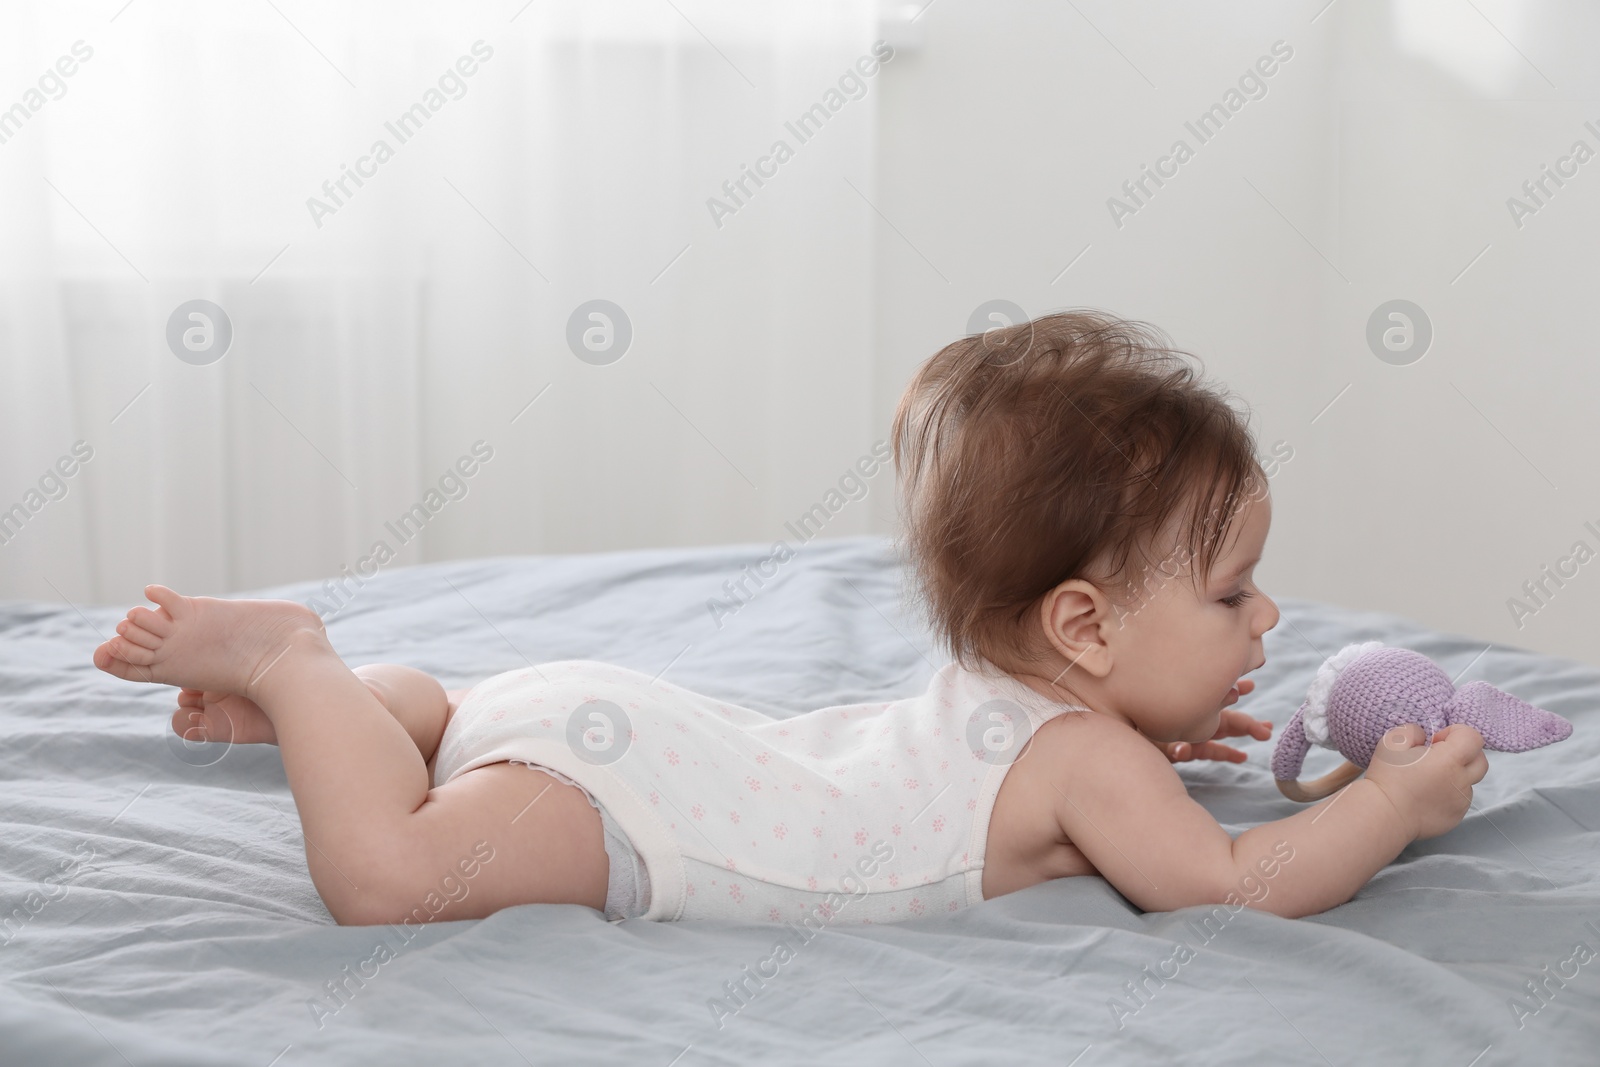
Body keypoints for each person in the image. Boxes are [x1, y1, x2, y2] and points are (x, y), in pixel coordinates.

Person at [91, 310, 1487, 927]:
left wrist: (1154, 742)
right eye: (1234, 589)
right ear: (1085, 628)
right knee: (393, 884)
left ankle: (407, 709)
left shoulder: (1062, 731)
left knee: (458, 752)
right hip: (630, 816)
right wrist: (1395, 805)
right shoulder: (1094, 765)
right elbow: (1241, 886)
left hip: (595, 726)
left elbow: (1012, 783)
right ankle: (303, 666)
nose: (1271, 617)